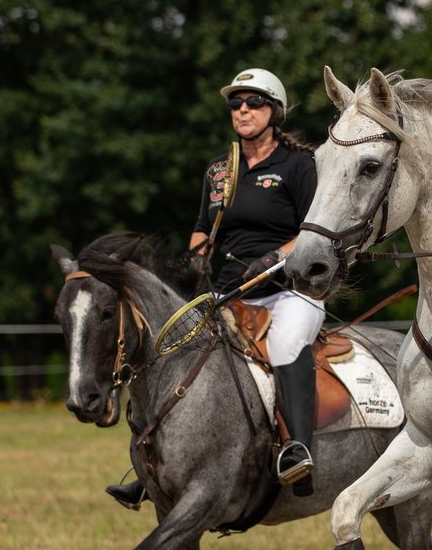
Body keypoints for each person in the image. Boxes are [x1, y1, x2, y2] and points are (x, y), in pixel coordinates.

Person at [107, 67, 324, 508]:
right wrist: (196, 256)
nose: (243, 110)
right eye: (235, 104)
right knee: (169, 348)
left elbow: (314, 233)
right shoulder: (219, 171)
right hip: (226, 293)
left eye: (254, 102)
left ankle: (298, 448)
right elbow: (203, 227)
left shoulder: (299, 166)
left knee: (285, 342)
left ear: (274, 112)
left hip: (287, 291)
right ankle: (153, 467)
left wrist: (272, 258)